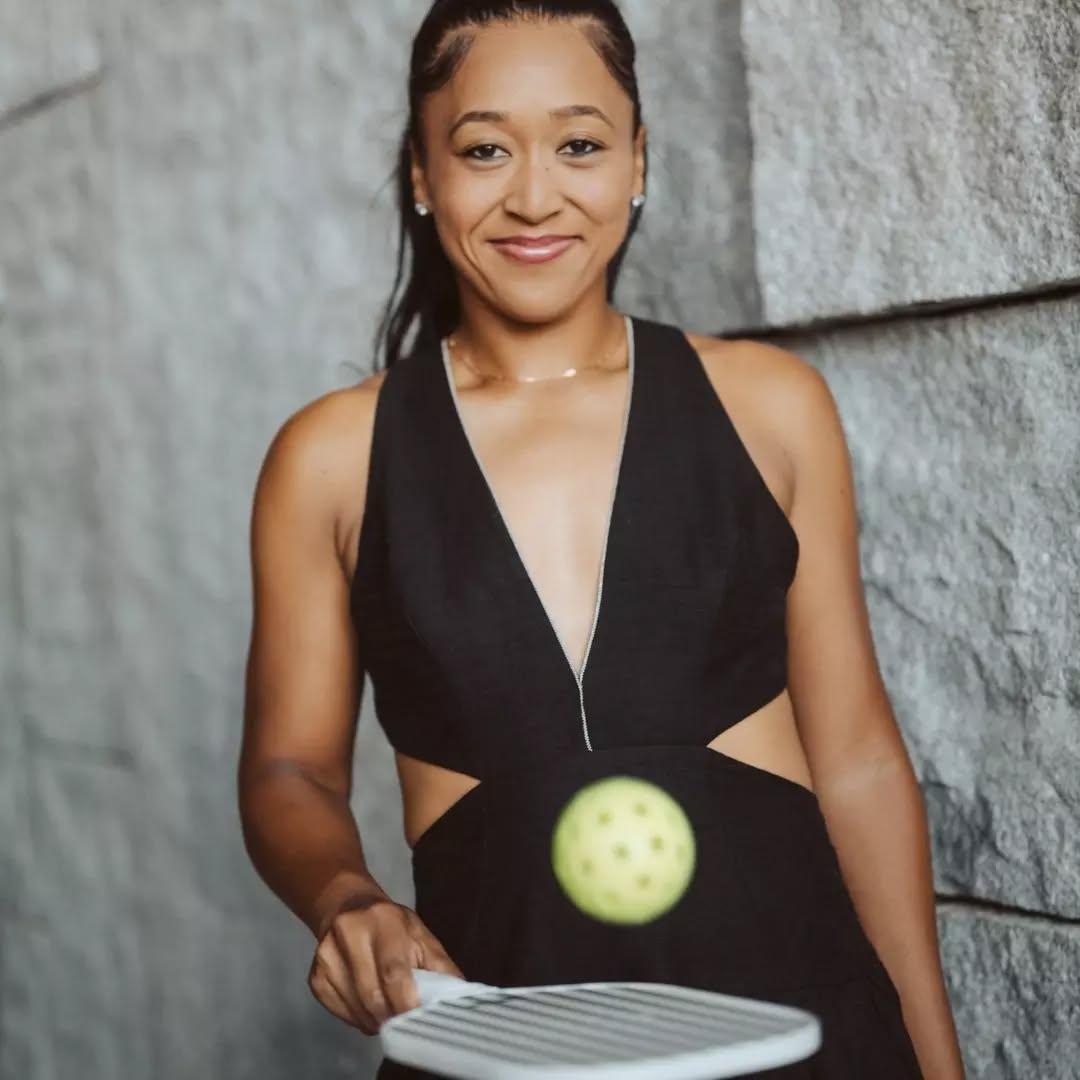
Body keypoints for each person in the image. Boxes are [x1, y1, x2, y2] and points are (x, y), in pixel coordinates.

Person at [238, 2, 966, 1076]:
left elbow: (856, 761)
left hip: (808, 1034)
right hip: (504, 1046)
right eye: (484, 150)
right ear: (423, 173)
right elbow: (288, 767)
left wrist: (937, 1061)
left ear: (638, 161)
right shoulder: (331, 458)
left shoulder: (771, 407)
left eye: (579, 145)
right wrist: (345, 897)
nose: (536, 196)